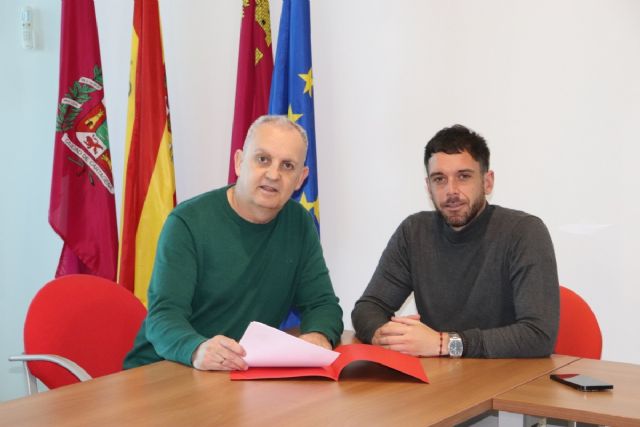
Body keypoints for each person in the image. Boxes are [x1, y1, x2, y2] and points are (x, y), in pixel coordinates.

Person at [124, 115, 343, 371]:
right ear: (239, 162)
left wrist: (318, 336)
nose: (273, 174)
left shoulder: (299, 224)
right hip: (165, 369)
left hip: (237, 375)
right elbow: (163, 317)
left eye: (287, 166)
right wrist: (197, 348)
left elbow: (321, 304)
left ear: (300, 178)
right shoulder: (187, 222)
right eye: (263, 159)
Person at [351, 124, 559, 358]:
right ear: (428, 187)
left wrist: (443, 343)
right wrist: (385, 335)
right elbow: (368, 308)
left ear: (487, 182)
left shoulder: (524, 232)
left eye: (463, 176)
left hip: (506, 380)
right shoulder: (414, 232)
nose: (451, 190)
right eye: (439, 179)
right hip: (439, 380)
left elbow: (539, 336)